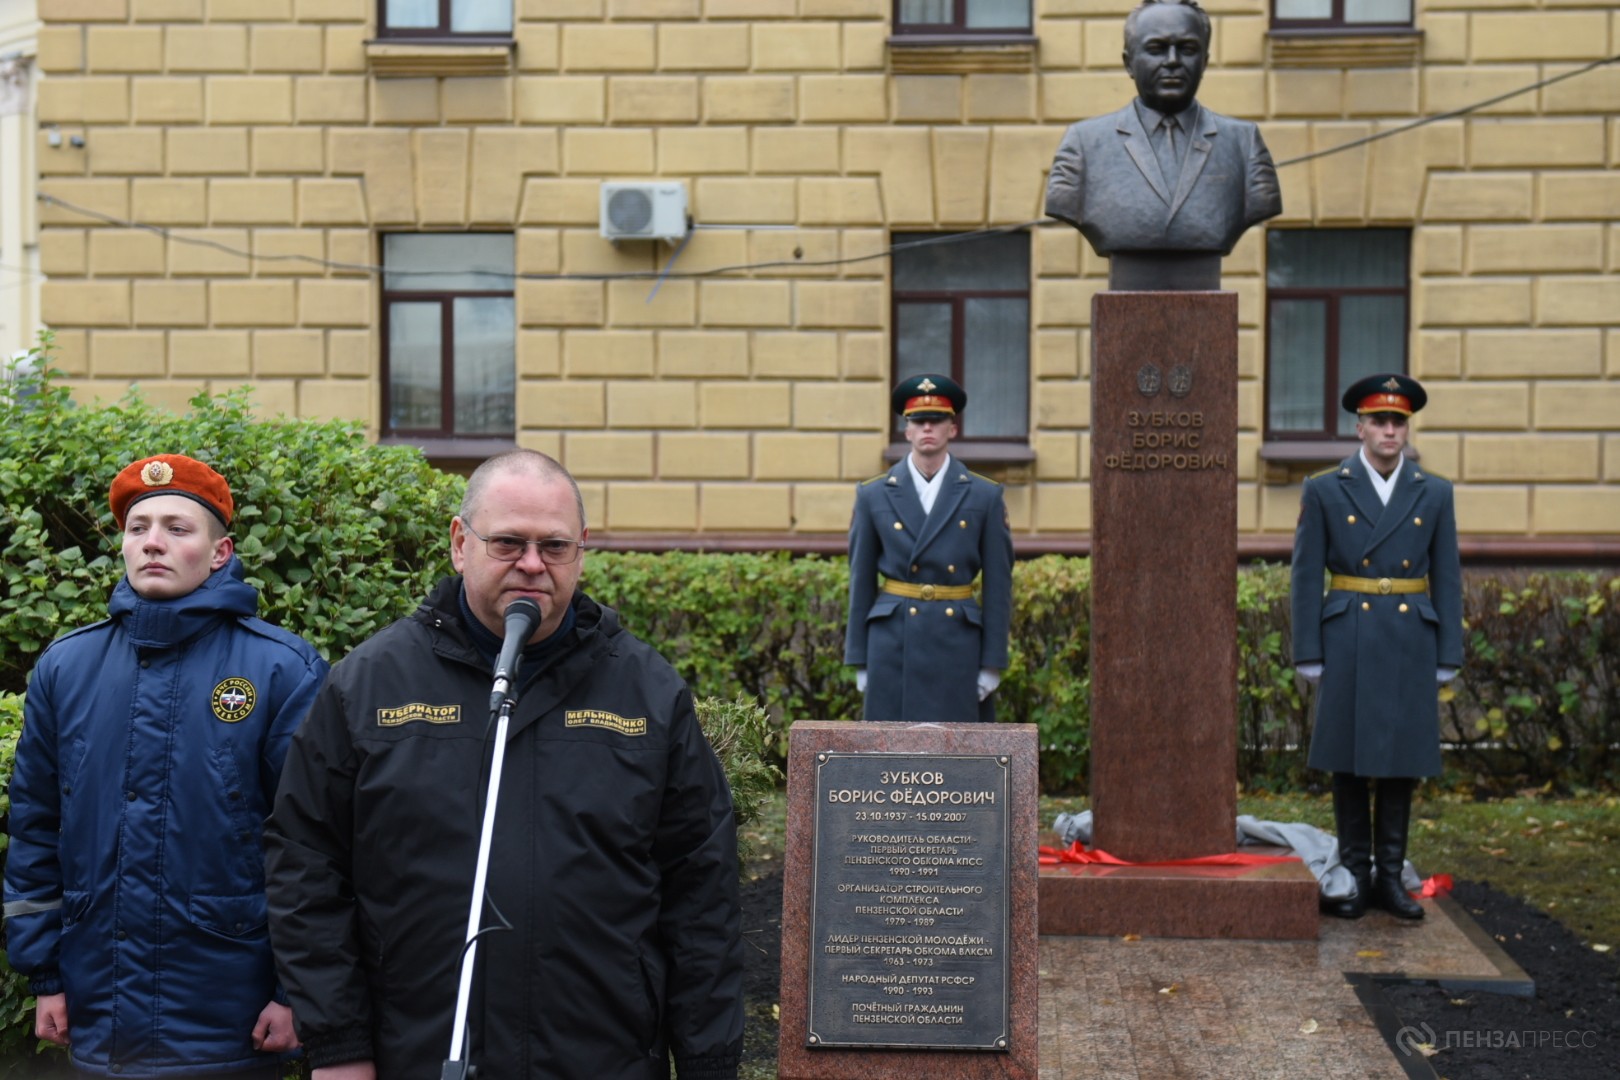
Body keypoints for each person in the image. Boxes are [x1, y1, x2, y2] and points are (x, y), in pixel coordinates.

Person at [263, 450, 744, 1080]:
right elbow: (306, 865)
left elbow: (701, 892)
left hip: (603, 1056)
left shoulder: (646, 692)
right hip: (419, 1049)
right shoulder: (371, 686)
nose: (533, 565)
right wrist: (339, 1046)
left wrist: (709, 1063)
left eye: (556, 546)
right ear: (461, 544)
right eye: (509, 542)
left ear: (583, 549)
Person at [4, 454, 329, 1077]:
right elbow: (36, 833)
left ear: (219, 552)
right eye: (138, 527)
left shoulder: (283, 670)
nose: (153, 541)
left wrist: (294, 993)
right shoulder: (66, 670)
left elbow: (316, 845)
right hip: (96, 1015)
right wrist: (44, 973)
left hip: (231, 1019)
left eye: (178, 528)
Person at [1291, 374, 1463, 920]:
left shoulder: (1433, 492)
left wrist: (1448, 651)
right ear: (1360, 427)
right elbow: (1305, 574)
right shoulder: (1324, 488)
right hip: (1348, 633)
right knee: (1348, 762)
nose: (1390, 430)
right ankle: (1356, 876)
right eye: (1380, 421)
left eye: (1399, 421)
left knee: (1399, 763)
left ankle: (1391, 878)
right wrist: (1307, 648)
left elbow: (1450, 577)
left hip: (1411, 635)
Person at [1044, 0, 1281, 277]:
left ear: (1204, 62)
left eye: (1187, 49)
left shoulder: (1244, 142)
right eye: (1156, 49)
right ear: (1128, 62)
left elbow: (1260, 202)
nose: (1172, 61)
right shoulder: (1083, 144)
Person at [844, 373, 1014, 723]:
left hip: (958, 646)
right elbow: (860, 579)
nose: (927, 429)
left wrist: (992, 663)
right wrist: (860, 659)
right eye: (918, 421)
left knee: (961, 762)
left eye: (936, 421)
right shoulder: (873, 494)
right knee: (890, 761)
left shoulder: (984, 495)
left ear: (952, 428)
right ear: (906, 431)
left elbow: (999, 584)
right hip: (892, 645)